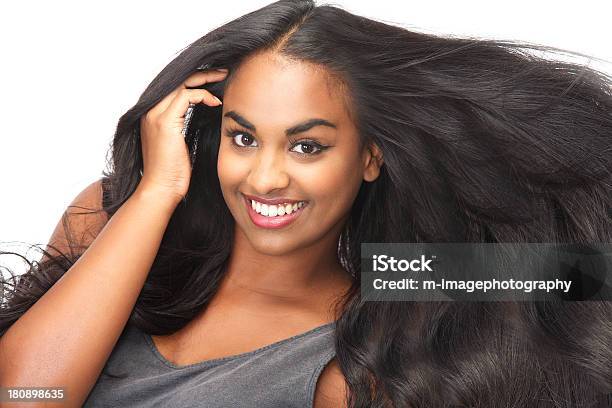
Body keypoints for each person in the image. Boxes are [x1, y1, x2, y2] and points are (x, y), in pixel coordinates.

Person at [1, 0, 611, 406]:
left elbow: (578, 272)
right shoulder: (109, 225)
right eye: (243, 137)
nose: (266, 178)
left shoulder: (358, 352)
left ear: (370, 156)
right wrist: (156, 191)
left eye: (307, 146)